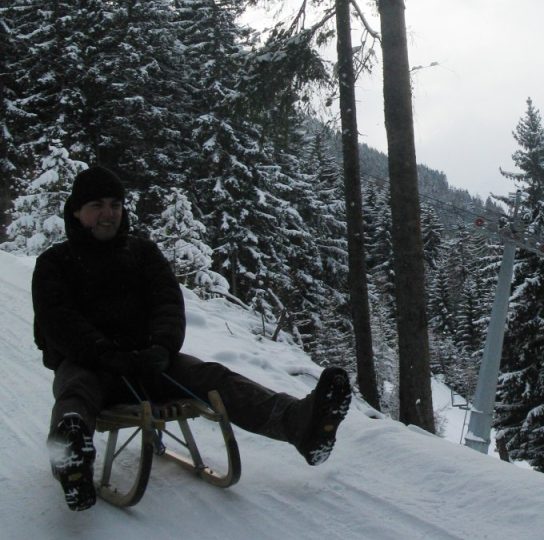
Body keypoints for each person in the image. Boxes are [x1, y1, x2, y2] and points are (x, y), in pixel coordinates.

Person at [33, 166, 352, 511]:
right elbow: (59, 322)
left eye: (115, 204)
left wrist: (162, 346)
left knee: (212, 377)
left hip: (149, 364)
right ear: (77, 211)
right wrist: (105, 353)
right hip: (93, 367)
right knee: (76, 390)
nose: (108, 213)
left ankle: (301, 424)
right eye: (97, 205)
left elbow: (167, 302)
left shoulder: (142, 253)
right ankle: (71, 456)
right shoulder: (54, 263)